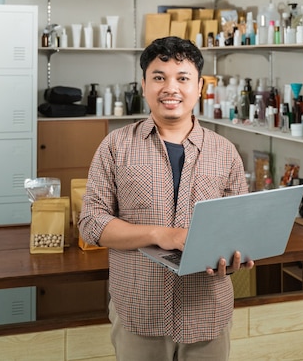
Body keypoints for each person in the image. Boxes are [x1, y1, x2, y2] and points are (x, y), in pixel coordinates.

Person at [78, 36, 254, 361]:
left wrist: (234, 257)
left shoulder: (225, 152)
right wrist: (163, 235)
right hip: (139, 310)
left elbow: (236, 225)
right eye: (159, 77)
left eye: (182, 78)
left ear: (199, 87)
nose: (170, 88)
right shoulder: (116, 146)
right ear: (144, 84)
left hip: (207, 312)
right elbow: (91, 223)